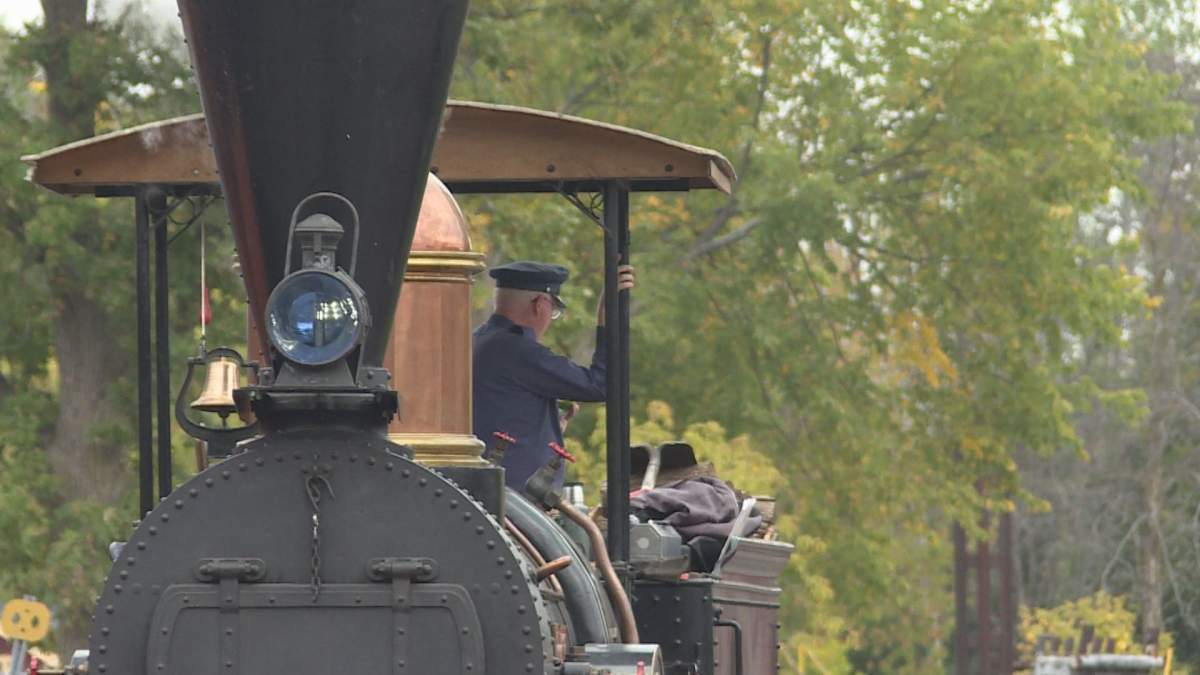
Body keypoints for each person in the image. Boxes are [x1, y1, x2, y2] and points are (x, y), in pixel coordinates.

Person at [473, 260, 635, 493]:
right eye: (554, 310)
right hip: (514, 500)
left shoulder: (480, 339)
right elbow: (602, 385)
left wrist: (550, 421)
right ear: (540, 304)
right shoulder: (517, 350)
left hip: (493, 491)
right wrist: (607, 318)